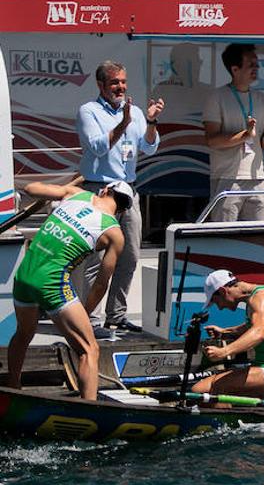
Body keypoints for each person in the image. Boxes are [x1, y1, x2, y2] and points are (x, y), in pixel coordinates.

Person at [7, 180, 131, 401]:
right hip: (53, 284)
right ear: (122, 209)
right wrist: (84, 311)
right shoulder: (115, 234)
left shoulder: (76, 193)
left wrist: (65, 189)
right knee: (89, 349)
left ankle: (13, 390)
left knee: (23, 334)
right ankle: (89, 411)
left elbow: (31, 189)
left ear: (105, 190)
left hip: (24, 275)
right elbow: (101, 283)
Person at [74, 60, 162, 334]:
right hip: (98, 192)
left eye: (123, 82)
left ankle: (117, 315)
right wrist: (123, 123)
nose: (120, 87)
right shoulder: (88, 111)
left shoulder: (134, 111)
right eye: (114, 82)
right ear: (101, 85)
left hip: (128, 192)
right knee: (96, 261)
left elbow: (150, 147)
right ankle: (91, 320)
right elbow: (98, 147)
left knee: (130, 256)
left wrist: (150, 121)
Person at [202, 44, 264, 221]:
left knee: (256, 238)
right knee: (224, 236)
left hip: (258, 178)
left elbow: (262, 144)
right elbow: (212, 140)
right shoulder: (217, 97)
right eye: (251, 64)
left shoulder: (261, 98)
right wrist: (245, 135)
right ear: (235, 69)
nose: (256, 68)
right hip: (227, 177)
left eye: (257, 64)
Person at [194, 269, 264, 398]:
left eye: (216, 302)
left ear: (222, 291)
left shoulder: (261, 298)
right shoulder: (254, 299)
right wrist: (224, 332)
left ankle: (224, 418)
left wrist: (224, 352)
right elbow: (253, 326)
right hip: (263, 367)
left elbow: (259, 333)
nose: (220, 307)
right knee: (199, 389)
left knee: (217, 387)